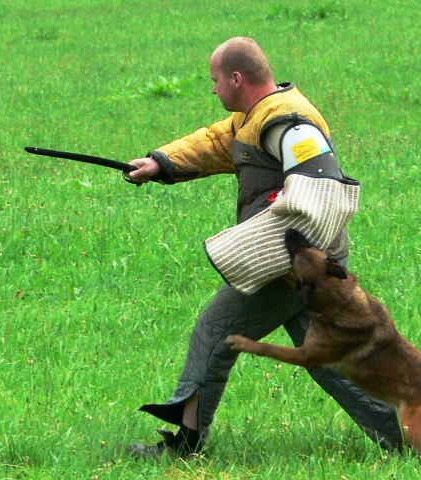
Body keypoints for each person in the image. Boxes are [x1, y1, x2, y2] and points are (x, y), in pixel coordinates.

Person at [124, 37, 403, 458]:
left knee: (215, 333)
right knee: (331, 360)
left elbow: (321, 190)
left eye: (215, 80)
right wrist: (161, 162)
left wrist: (290, 255)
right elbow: (219, 142)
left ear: (236, 78)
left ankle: (184, 446)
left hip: (286, 266)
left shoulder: (291, 126)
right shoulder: (253, 116)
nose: (213, 89)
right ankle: (409, 434)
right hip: (303, 269)